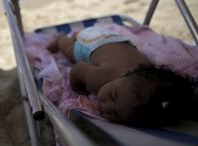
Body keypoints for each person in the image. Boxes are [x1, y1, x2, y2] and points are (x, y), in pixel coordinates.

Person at [48, 26, 195, 126]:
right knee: (71, 53)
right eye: (112, 95)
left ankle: (76, 35)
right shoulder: (99, 78)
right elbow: (78, 69)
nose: (105, 106)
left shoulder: (146, 75)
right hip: (92, 42)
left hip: (116, 39)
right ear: (127, 74)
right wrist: (78, 88)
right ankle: (60, 39)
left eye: (114, 113)